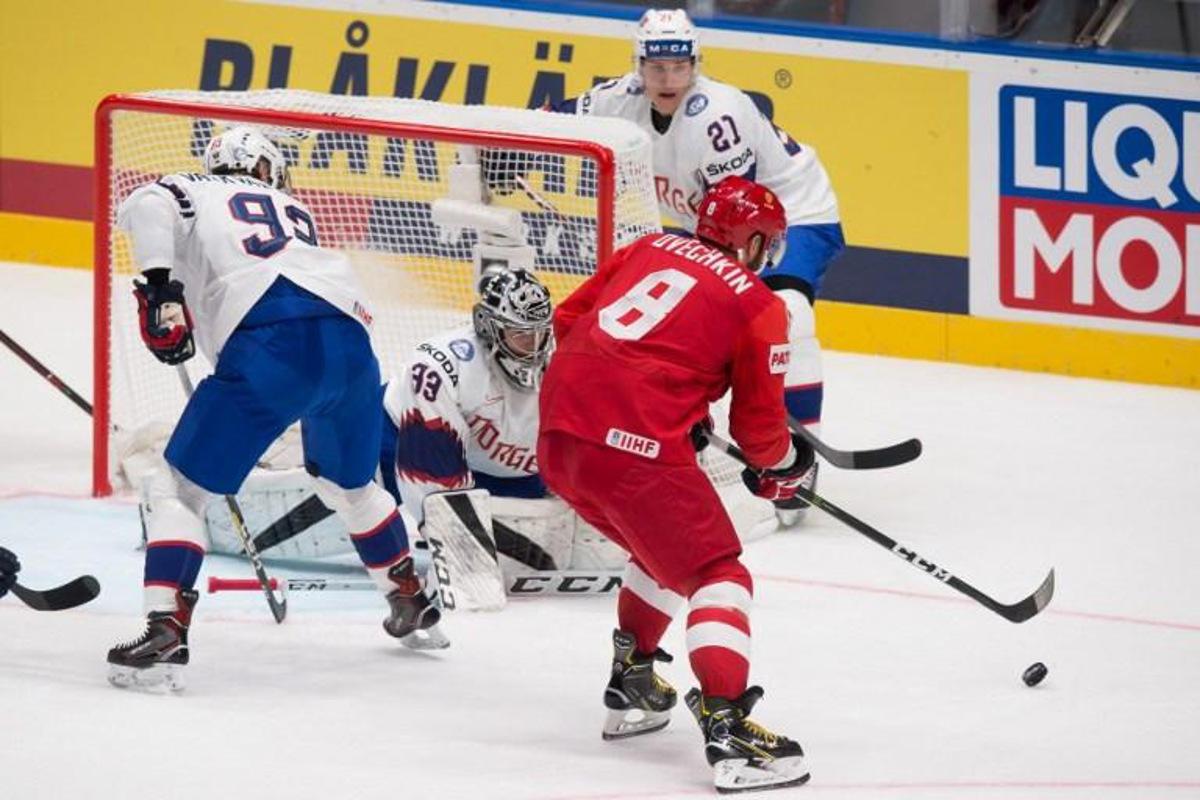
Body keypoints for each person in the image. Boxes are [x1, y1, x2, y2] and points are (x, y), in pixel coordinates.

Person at [107, 125, 447, 692]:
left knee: (179, 489)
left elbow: (145, 205)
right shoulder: (293, 208)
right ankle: (409, 597)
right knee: (351, 486)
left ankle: (166, 630)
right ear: (267, 169)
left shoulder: (192, 189)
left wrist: (162, 291)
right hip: (351, 347)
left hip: (272, 348)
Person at [537, 176, 812, 793]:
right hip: (631, 447)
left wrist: (667, 406)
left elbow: (569, 319)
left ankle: (634, 677)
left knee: (660, 550)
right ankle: (728, 725)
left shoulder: (648, 249)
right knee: (720, 573)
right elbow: (761, 431)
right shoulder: (760, 305)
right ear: (753, 242)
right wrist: (786, 465)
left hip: (558, 433)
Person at [550, 7, 844, 526]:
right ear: (639, 65)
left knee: (787, 314)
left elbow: (739, 220)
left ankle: (797, 465)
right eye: (657, 68)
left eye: (679, 67)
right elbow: (550, 115)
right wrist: (502, 158)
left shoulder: (717, 118)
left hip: (792, 213)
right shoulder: (616, 99)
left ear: (696, 64)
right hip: (723, 221)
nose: (668, 79)